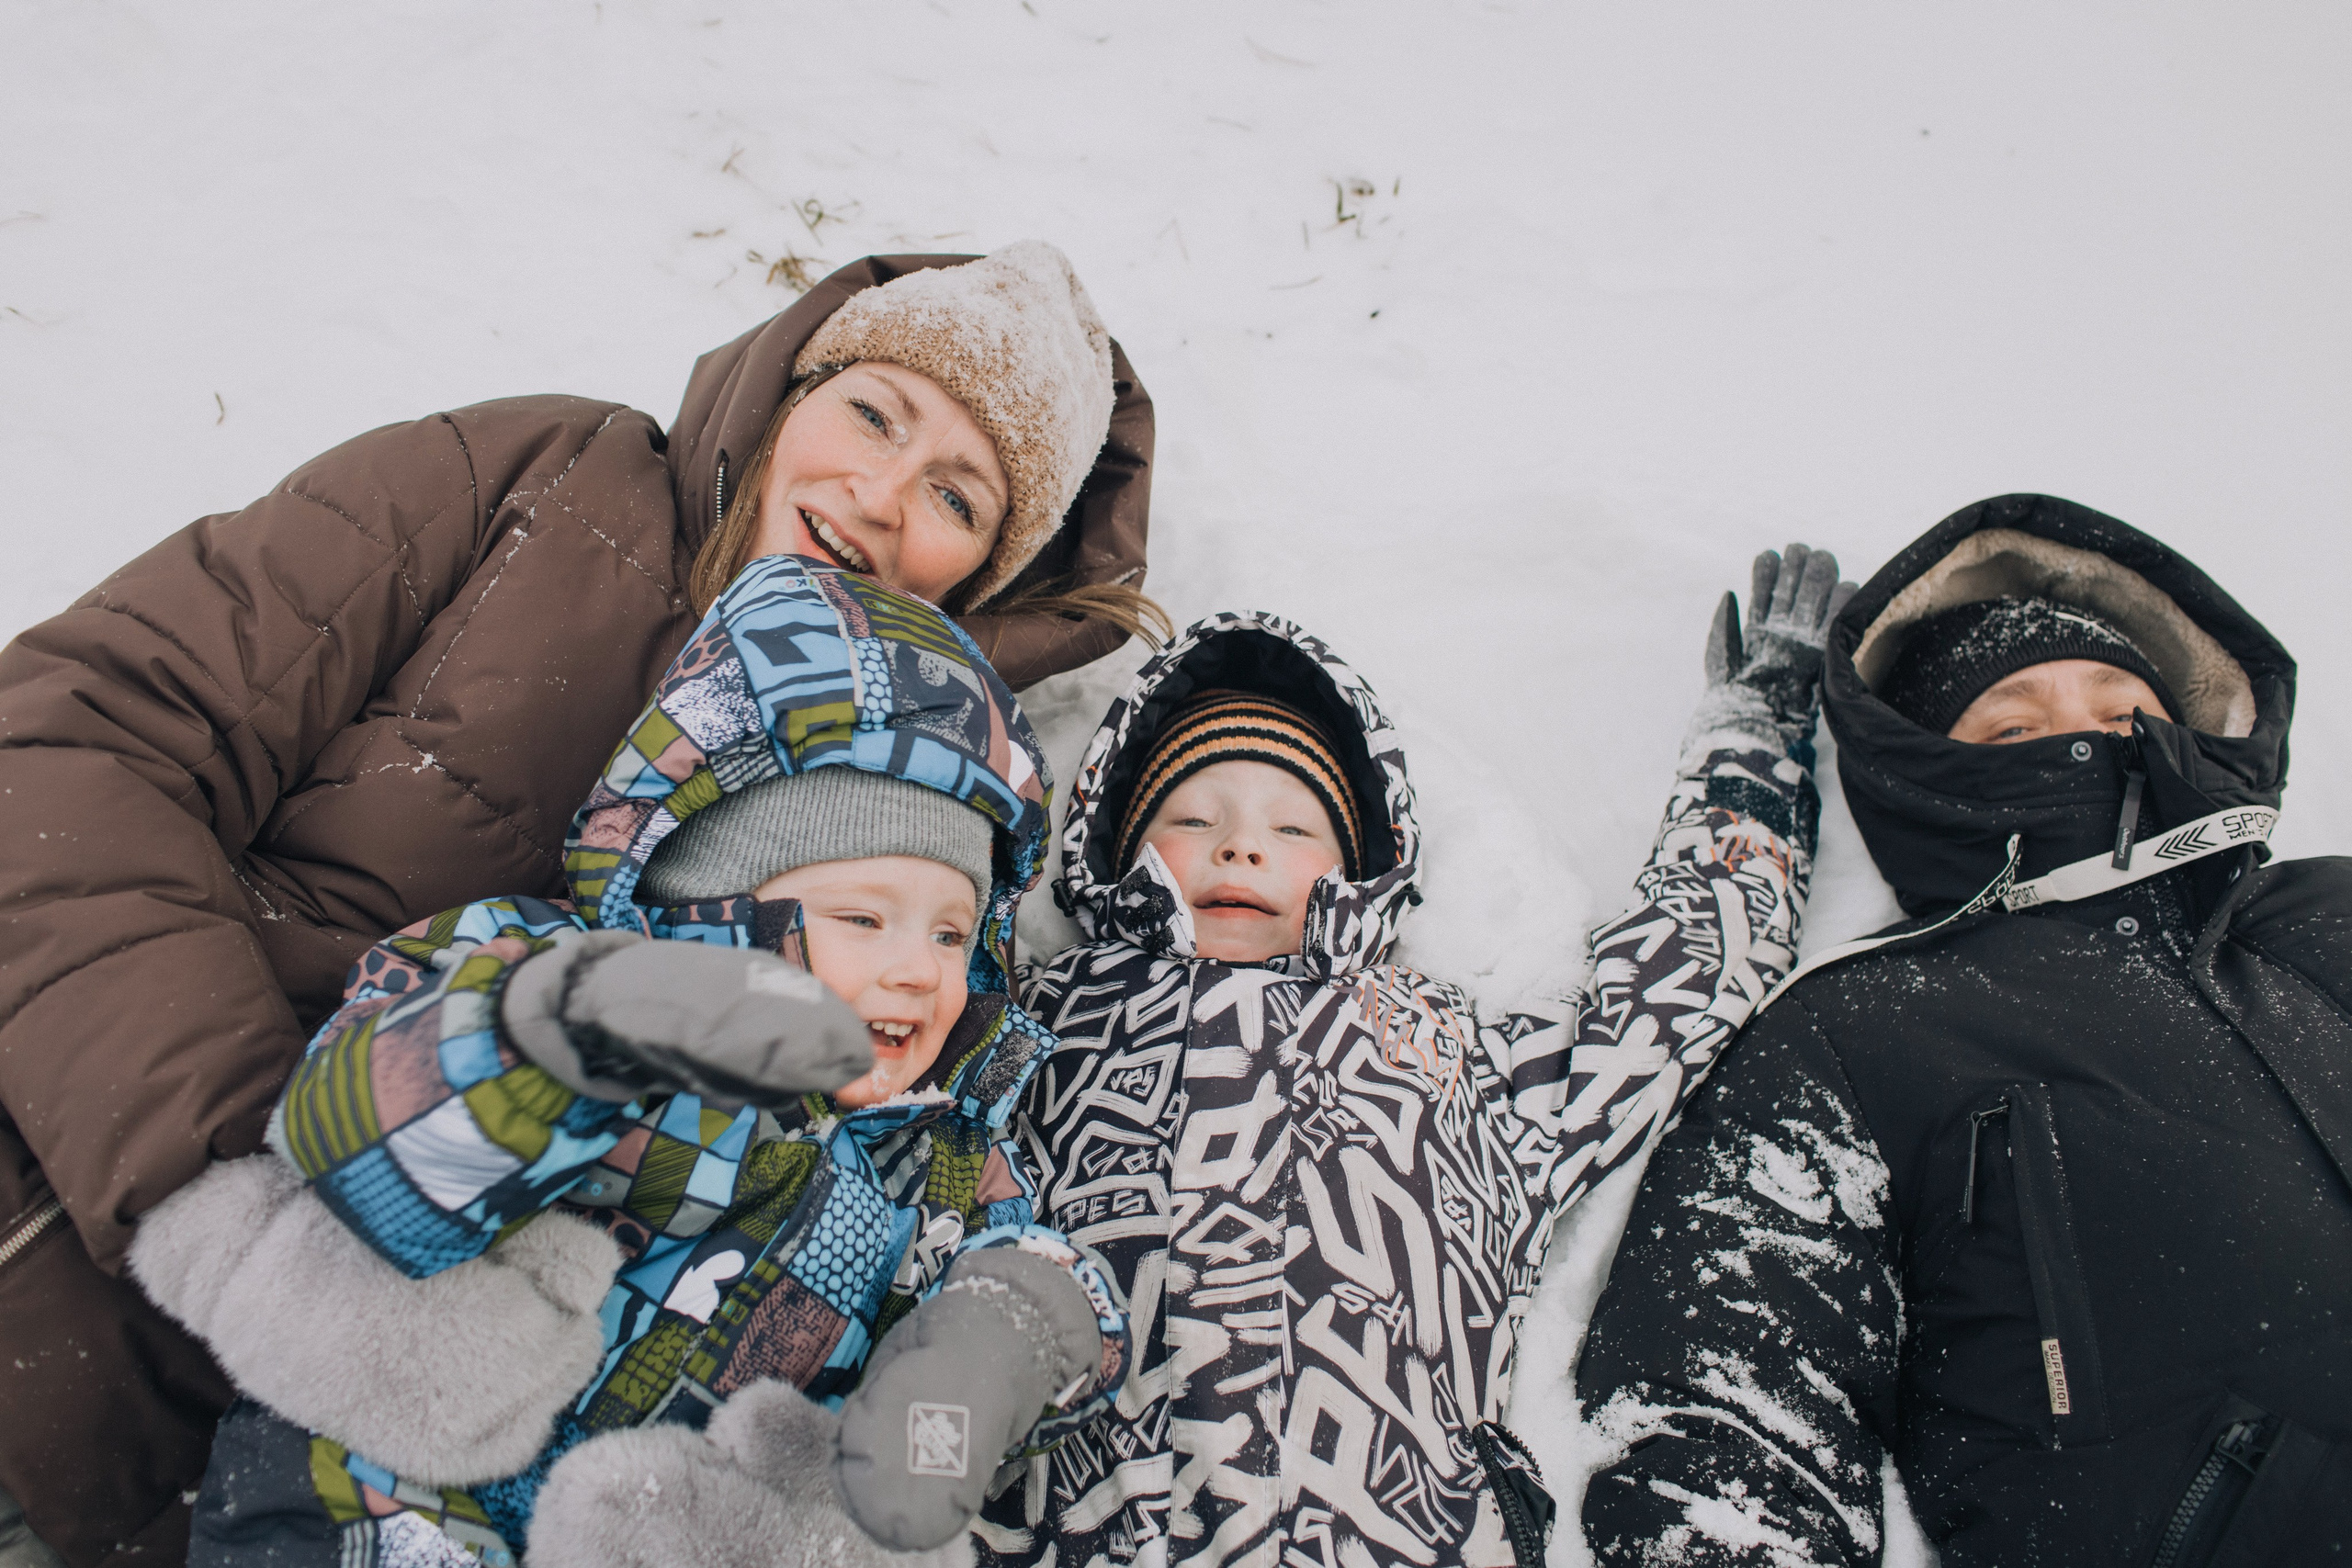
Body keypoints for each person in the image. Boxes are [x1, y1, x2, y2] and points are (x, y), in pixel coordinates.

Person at [0, 240, 1159, 1568]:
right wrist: (253, 1215)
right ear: (794, 388)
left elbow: (978, 1224)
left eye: (957, 492)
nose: (882, 493)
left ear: (989, 570)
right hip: (65, 1248)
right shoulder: (538, 487)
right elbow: (65, 747)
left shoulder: (946, 821)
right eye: (874, 413)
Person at [130, 551, 1129, 1567]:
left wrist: (1004, 1337)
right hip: (384, 1500)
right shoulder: (535, 965)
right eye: (864, 917)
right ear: (713, 897)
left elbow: (1038, 1274)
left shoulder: (944, 1146)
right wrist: (558, 1039)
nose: (919, 969)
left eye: (954, 935)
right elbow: (360, 1130)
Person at [978, 543, 1850, 1568]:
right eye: (1190, 816)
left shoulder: (1441, 1052)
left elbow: (1677, 984)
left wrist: (1751, 745)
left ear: (1362, 869)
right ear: (1116, 847)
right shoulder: (1026, 1023)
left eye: (1292, 825)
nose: (1239, 846)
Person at [1577, 494, 2352, 1566]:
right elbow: (1722, 1401)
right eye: (2013, 724)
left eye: (2125, 708)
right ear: (1930, 777)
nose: (2087, 737)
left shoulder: (2327, 917)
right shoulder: (1866, 1027)